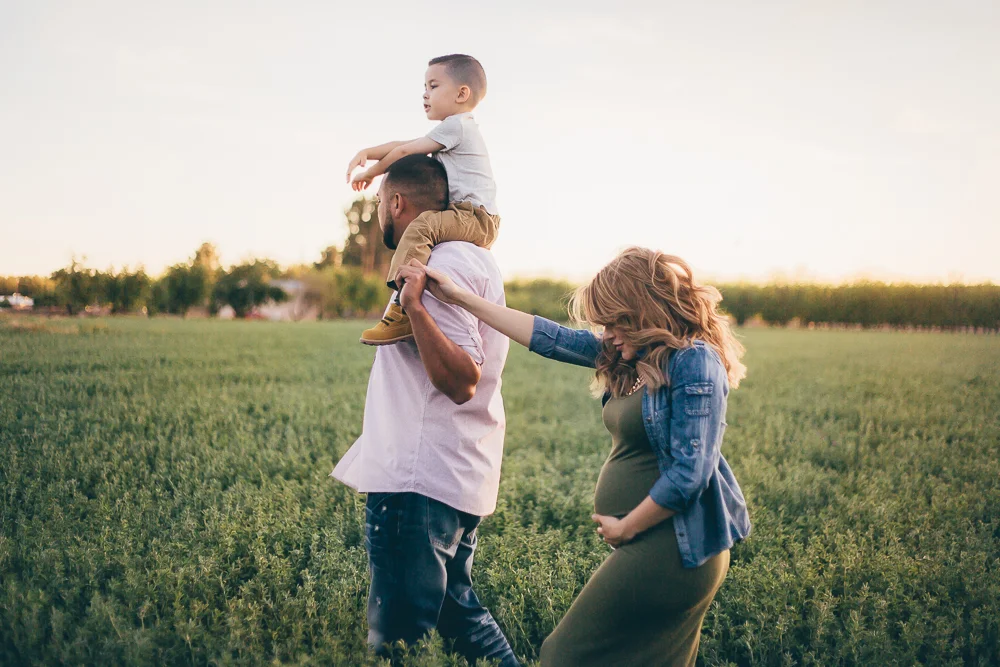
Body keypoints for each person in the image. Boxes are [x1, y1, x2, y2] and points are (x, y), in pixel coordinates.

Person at [396, 247, 751, 666]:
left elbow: (691, 474)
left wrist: (625, 527)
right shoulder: (632, 361)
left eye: (615, 321)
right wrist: (460, 298)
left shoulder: (695, 362)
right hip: (655, 543)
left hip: (676, 547)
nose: (608, 333)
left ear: (643, 310)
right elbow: (550, 338)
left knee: (563, 655)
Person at [330, 155, 519, 667]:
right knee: (458, 615)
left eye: (380, 204)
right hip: (450, 473)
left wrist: (413, 307)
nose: (379, 215)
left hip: (419, 481)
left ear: (397, 203)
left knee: (399, 640)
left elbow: (462, 379)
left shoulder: (443, 263)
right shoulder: (473, 257)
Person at [345, 53, 500, 345]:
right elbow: (403, 145)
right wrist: (368, 152)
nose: (425, 94)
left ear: (461, 93)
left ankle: (403, 309)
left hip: (475, 218)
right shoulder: (455, 129)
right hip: (472, 216)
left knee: (422, 225)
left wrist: (374, 172)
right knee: (427, 226)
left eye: (433, 86)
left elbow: (405, 153)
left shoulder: (458, 126)